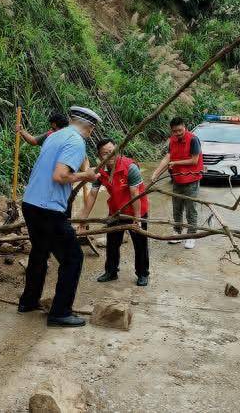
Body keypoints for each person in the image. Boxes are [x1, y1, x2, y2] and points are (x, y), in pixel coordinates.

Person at [18, 106, 101, 327]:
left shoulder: (55, 136)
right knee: (73, 257)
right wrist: (88, 175)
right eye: (92, 130)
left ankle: (28, 301)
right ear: (89, 128)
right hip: (48, 208)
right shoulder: (76, 141)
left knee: (40, 251)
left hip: (30, 203)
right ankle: (60, 312)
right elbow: (60, 176)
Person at [78, 139, 150, 286]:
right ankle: (111, 272)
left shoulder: (130, 168)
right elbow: (92, 194)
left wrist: (137, 219)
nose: (110, 156)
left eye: (112, 151)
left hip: (135, 211)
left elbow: (135, 194)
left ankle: (142, 273)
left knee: (140, 243)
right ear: (99, 156)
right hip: (116, 211)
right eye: (105, 153)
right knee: (112, 243)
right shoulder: (99, 171)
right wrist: (83, 218)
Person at [150, 117, 203, 250]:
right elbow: (168, 157)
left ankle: (191, 235)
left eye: (180, 130)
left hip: (191, 180)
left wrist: (175, 163)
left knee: (191, 209)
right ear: (171, 130)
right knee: (177, 207)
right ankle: (177, 232)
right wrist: (156, 173)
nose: (178, 133)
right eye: (175, 131)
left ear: (184, 126)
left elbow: (194, 160)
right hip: (177, 179)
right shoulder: (172, 140)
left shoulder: (193, 139)